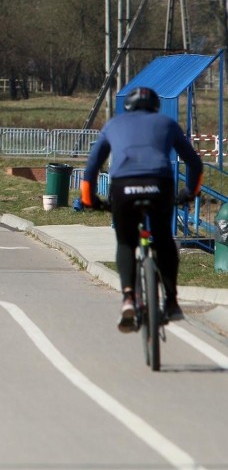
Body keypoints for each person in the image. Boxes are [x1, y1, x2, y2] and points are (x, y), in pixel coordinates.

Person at [82, 86, 203, 332]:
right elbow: (195, 163)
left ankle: (128, 297)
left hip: (124, 186)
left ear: (128, 106)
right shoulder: (167, 123)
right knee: (163, 239)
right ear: (155, 106)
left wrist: (89, 199)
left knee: (126, 242)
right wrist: (190, 192)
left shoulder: (114, 125)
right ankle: (171, 302)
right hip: (160, 184)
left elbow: (93, 165)